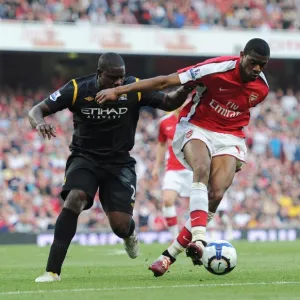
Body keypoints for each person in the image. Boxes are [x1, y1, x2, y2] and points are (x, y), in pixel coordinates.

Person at [95, 38, 270, 276]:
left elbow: (239, 114)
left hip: (230, 137)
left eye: (262, 65)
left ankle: (168, 257)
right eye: (253, 62)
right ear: (241, 55)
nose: (257, 69)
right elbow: (165, 81)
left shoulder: (262, 89)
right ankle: (199, 239)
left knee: (216, 194)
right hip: (198, 127)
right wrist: (118, 89)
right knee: (202, 167)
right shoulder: (214, 69)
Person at [28, 52, 194, 282]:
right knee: (74, 198)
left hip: (119, 162)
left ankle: (129, 234)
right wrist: (40, 123)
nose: (119, 83)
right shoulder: (77, 88)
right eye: (113, 78)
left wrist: (186, 87)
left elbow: (168, 102)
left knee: (119, 225)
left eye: (121, 77)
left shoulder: (133, 87)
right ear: (99, 74)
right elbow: (36, 110)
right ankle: (52, 271)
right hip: (84, 157)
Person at [152, 107, 193, 239]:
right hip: (173, 169)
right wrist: (156, 167)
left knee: (197, 206)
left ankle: (199, 237)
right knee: (167, 200)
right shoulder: (164, 122)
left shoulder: (194, 119)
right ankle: (175, 238)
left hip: (191, 169)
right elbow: (161, 144)